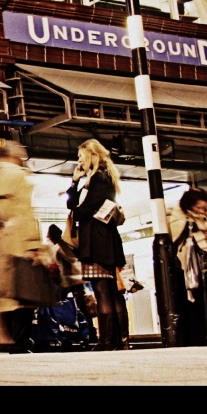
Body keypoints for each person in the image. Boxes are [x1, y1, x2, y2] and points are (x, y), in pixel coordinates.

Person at [0, 141, 56, 354]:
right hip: (18, 241)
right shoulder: (18, 176)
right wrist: (33, 243)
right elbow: (24, 211)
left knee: (4, 294)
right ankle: (19, 343)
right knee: (24, 294)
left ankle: (6, 340)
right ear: (16, 158)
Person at [65, 138, 128, 351]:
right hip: (106, 240)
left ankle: (106, 342)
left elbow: (80, 209)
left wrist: (76, 193)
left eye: (81, 157)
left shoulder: (99, 178)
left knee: (102, 291)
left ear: (92, 155)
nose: (79, 161)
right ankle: (121, 341)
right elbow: (73, 205)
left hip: (96, 242)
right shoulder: (103, 177)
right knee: (112, 292)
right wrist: (75, 181)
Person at [169, 186, 207, 347]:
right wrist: (192, 226)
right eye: (199, 208)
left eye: (204, 207)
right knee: (193, 308)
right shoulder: (178, 217)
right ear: (189, 206)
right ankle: (196, 339)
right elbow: (175, 236)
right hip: (191, 269)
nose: (202, 211)